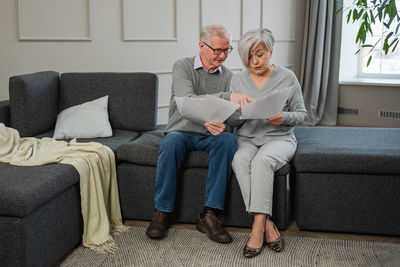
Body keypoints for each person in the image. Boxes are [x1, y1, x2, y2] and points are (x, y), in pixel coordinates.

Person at [145, 24, 252, 243]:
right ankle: (162, 212)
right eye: (217, 50)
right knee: (171, 143)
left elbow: (230, 116)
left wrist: (229, 122)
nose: (222, 56)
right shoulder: (182, 67)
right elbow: (188, 102)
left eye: (226, 50)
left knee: (228, 141)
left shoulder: (229, 76)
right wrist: (226, 97)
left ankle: (209, 214)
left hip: (212, 135)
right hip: (182, 130)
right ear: (201, 46)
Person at [230, 28, 308, 257]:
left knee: (263, 161)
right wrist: (236, 111)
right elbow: (233, 121)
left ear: (271, 52)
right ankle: (267, 225)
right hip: (247, 138)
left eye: (260, 54)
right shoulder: (237, 79)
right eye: (249, 56)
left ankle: (256, 231)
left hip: (280, 138)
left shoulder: (287, 77)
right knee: (240, 160)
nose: (254, 61)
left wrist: (284, 117)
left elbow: (303, 115)